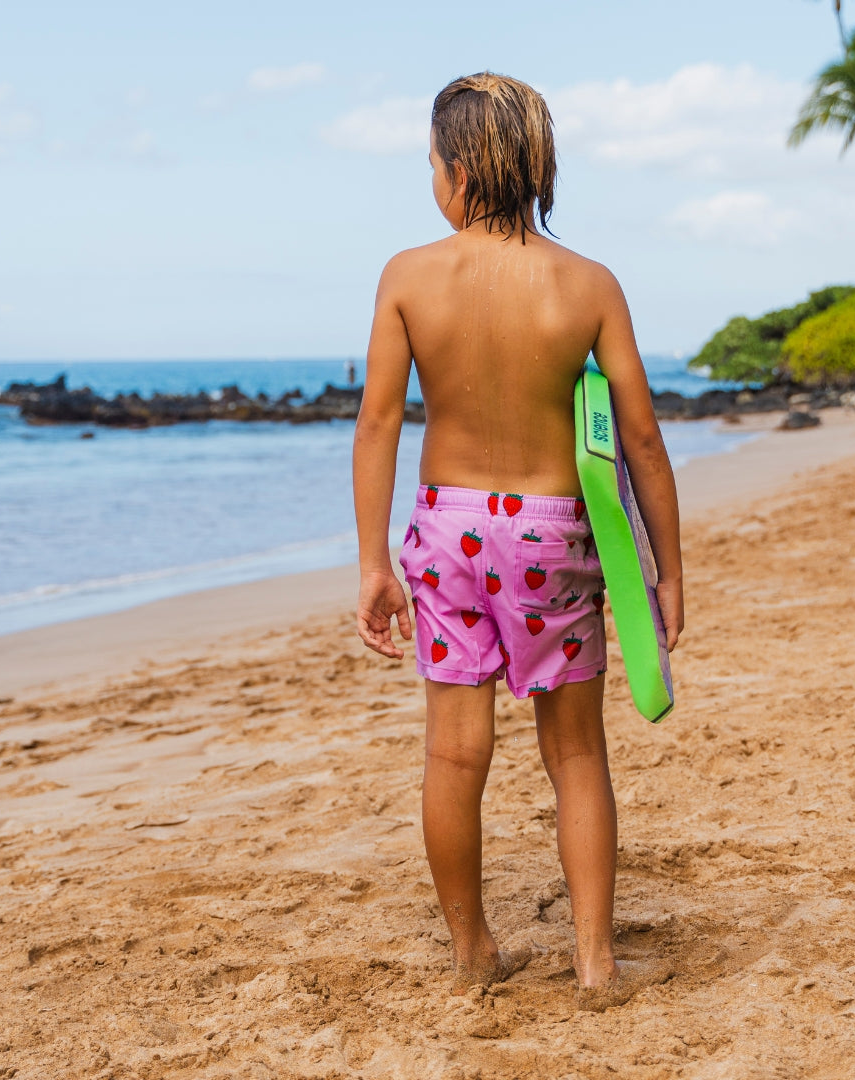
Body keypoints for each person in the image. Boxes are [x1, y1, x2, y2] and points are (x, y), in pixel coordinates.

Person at [352, 72, 683, 1011]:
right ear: (536, 167)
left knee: (454, 756)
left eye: (430, 164)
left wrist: (376, 560)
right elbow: (643, 437)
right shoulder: (588, 284)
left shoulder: (409, 276)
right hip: (551, 539)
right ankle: (594, 964)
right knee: (575, 754)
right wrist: (664, 571)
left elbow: (378, 423)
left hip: (448, 529)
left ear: (457, 171)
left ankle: (471, 952)